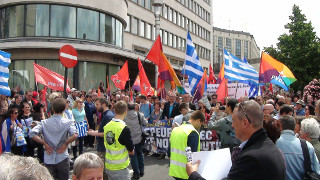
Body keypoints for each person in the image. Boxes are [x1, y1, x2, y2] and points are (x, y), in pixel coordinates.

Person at [187, 100, 286, 180]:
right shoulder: (272, 149)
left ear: (245, 123)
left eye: (234, 120)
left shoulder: (252, 157)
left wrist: (193, 174)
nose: (232, 125)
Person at [30, 98, 78, 180]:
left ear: (52, 109)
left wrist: (44, 143)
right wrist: (65, 143)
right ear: (64, 109)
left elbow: (32, 133)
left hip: (49, 156)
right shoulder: (68, 122)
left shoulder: (44, 122)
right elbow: (75, 135)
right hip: (62, 156)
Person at [276, 115, 320, 179]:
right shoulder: (307, 146)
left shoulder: (273, 143)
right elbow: (317, 171)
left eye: (301, 130)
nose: (299, 132)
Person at [169, 110, 205, 180]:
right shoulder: (193, 132)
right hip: (187, 173)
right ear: (198, 120)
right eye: (201, 124)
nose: (200, 126)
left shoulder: (176, 130)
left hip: (175, 170)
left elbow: (169, 150)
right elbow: (193, 155)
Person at [103, 100, 134, 180]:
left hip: (108, 165)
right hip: (120, 167)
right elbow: (131, 150)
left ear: (114, 110)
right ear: (125, 111)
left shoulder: (107, 126)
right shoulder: (124, 128)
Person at [87, 98, 114, 180]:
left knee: (103, 171)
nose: (96, 107)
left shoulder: (108, 116)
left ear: (104, 104)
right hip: (102, 146)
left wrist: (94, 133)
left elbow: (109, 134)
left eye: (97, 104)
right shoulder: (105, 115)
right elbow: (103, 130)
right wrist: (95, 131)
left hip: (104, 147)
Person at [124, 102, 148, 180]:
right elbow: (145, 123)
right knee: (140, 154)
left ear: (127, 108)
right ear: (134, 107)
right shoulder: (139, 114)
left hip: (130, 139)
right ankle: (142, 170)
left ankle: (136, 173)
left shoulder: (124, 116)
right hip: (139, 137)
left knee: (133, 156)